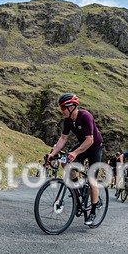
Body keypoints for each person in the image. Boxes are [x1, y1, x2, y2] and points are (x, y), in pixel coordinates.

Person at [45, 93, 104, 225]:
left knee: (91, 179)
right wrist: (52, 154)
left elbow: (90, 140)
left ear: (71, 107)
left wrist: (75, 153)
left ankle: (93, 211)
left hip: (94, 147)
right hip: (83, 145)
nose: (62, 111)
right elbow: (63, 138)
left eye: (63, 108)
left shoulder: (85, 116)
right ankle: (77, 185)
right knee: (65, 162)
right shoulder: (68, 121)